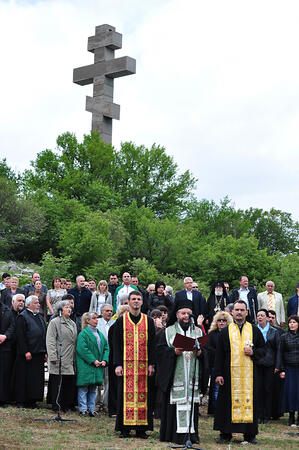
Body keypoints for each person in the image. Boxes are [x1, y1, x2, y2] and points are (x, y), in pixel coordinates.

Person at [157, 300, 209, 445]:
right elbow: (160, 352)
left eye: (188, 313)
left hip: (192, 375)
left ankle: (191, 435)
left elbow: (206, 352)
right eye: (183, 313)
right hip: (175, 377)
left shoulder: (198, 331)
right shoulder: (168, 331)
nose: (186, 316)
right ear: (177, 314)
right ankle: (174, 435)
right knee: (176, 404)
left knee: (191, 403)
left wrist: (200, 353)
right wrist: (173, 351)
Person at [213, 300, 265, 445]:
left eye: (242, 310)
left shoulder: (254, 330)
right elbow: (219, 355)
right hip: (229, 375)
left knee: (250, 403)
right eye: (237, 310)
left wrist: (253, 352)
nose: (239, 312)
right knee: (226, 403)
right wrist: (218, 374)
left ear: (247, 312)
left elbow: (264, 350)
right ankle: (225, 434)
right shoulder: (225, 331)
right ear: (232, 312)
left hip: (249, 376)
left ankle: (250, 435)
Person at [113, 290, 155, 439]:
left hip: (143, 367)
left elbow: (152, 345)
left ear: (142, 302)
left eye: (138, 299)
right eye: (133, 299)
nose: (136, 301)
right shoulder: (121, 321)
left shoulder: (148, 320)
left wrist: (152, 364)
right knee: (124, 396)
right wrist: (117, 364)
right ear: (128, 302)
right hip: (126, 366)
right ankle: (124, 429)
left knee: (144, 396)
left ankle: (141, 429)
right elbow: (116, 345)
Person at [14, 295, 47, 409]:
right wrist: (26, 351)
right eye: (36, 303)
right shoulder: (22, 317)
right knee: (24, 378)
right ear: (29, 305)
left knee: (35, 379)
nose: (38, 304)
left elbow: (44, 333)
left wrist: (45, 351)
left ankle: (33, 400)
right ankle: (21, 401)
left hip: (38, 352)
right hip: (27, 354)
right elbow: (20, 336)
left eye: (38, 302)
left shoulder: (39, 317)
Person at [46, 300, 77, 412]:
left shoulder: (72, 323)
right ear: (60, 309)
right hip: (59, 356)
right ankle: (56, 405)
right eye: (66, 307)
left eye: (70, 307)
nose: (69, 309)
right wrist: (53, 356)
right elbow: (50, 340)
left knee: (68, 382)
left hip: (70, 357)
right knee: (57, 382)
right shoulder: (55, 322)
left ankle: (65, 404)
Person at [76, 312, 109, 417]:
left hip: (97, 365)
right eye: (94, 318)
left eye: (97, 318)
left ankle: (91, 408)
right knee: (84, 387)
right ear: (88, 320)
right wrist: (93, 360)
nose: (96, 320)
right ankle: (83, 409)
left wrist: (104, 360)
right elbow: (82, 349)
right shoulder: (83, 334)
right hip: (86, 364)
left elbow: (106, 347)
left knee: (93, 388)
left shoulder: (99, 333)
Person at [255, 309, 280, 424]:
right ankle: (259, 415)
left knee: (268, 389)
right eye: (258, 315)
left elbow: (278, 349)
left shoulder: (274, 331)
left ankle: (267, 415)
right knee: (258, 389)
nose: (260, 317)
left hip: (270, 364)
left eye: (262, 315)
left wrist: (278, 365)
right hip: (257, 363)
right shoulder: (253, 330)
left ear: (267, 318)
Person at [207, 311, 233, 415]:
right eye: (219, 320)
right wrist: (219, 352)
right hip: (215, 364)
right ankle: (216, 409)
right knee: (216, 388)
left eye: (224, 320)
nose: (221, 322)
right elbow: (208, 348)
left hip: (228, 364)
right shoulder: (212, 334)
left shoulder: (231, 334)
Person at [107, 304, 129, 418]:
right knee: (115, 385)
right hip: (115, 359)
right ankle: (114, 409)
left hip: (127, 359)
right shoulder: (114, 327)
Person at [277, 315, 299, 426]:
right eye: (290, 322)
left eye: (294, 322)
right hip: (289, 368)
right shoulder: (284, 337)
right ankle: (291, 416)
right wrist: (281, 369)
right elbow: (280, 354)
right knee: (291, 392)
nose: (291, 324)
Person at [96, 304, 115, 410]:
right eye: (107, 311)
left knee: (108, 380)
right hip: (98, 355)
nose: (109, 313)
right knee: (98, 380)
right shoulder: (97, 323)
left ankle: (107, 402)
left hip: (110, 356)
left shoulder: (115, 323)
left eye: (111, 311)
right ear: (102, 312)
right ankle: (97, 403)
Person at [0, 298, 15, 406]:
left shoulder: (7, 310)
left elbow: (12, 326)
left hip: (5, 346)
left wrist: (5, 336)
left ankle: (3, 399)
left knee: (4, 374)